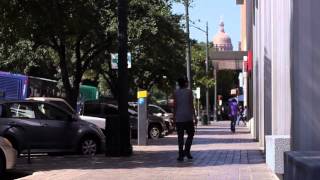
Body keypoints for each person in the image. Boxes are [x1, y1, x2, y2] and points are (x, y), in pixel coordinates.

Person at [173, 77, 197, 162]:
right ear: (185, 83)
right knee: (191, 134)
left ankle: (181, 155)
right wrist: (195, 116)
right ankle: (186, 151)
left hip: (179, 117)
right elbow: (191, 104)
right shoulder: (189, 92)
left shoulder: (175, 92)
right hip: (188, 117)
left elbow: (175, 106)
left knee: (180, 137)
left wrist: (174, 117)